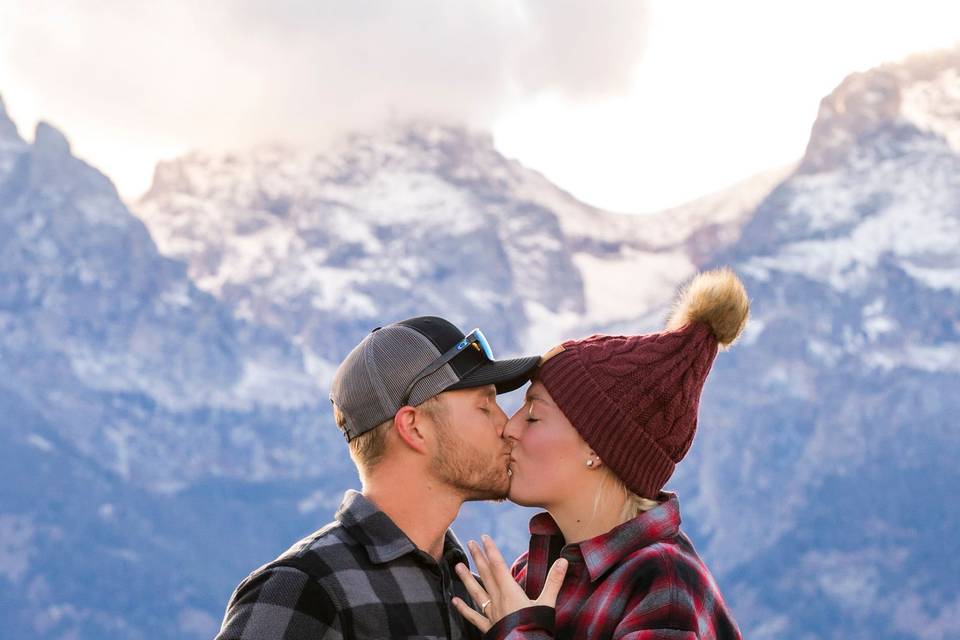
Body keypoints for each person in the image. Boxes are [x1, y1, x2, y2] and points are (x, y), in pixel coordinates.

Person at [451, 268, 748, 639]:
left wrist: (518, 632)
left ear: (597, 448)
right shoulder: (532, 574)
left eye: (533, 415)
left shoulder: (663, 584)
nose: (510, 428)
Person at [215, 316, 540, 639]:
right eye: (485, 407)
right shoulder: (303, 589)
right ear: (414, 428)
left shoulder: (478, 599)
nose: (507, 426)